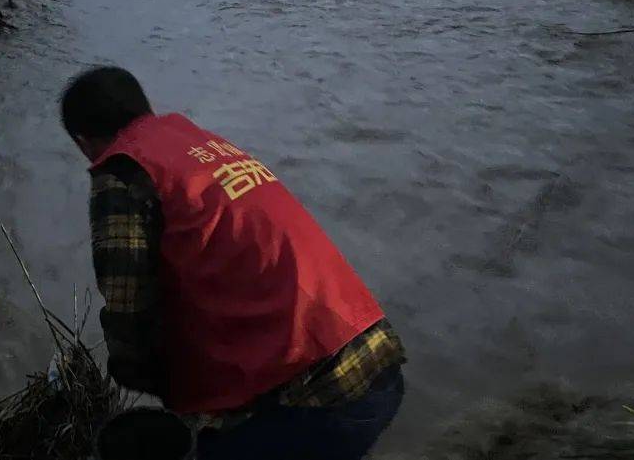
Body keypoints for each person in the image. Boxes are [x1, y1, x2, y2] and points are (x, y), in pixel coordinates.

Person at [61, 66, 406, 460]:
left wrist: (137, 370)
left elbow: (127, 304)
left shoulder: (123, 171)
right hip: (376, 363)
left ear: (83, 141)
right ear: (144, 109)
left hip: (318, 399)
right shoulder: (199, 145)